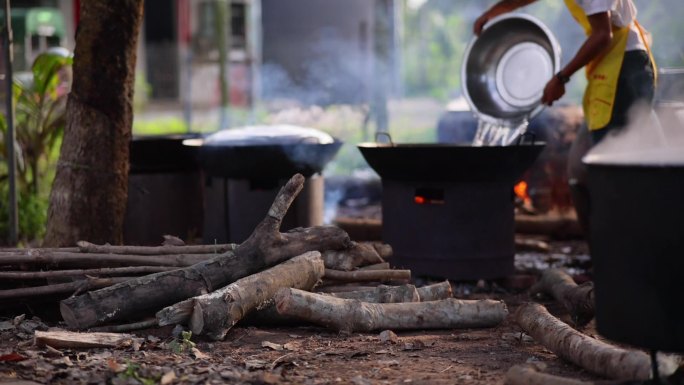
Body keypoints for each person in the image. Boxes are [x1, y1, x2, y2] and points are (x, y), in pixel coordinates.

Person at [474, 0, 657, 234]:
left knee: (617, 177)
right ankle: (599, 254)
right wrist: (497, 10)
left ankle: (622, 256)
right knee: (578, 171)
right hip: (608, 71)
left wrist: (561, 78)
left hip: (624, 73)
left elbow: (603, 35)